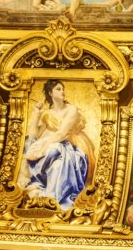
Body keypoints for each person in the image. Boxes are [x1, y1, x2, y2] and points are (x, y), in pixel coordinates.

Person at [22, 80, 93, 210]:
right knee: (54, 161)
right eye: (59, 89)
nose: (63, 92)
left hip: (71, 145)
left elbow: (61, 133)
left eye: (63, 89)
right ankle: (47, 193)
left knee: (55, 147)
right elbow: (34, 136)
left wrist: (42, 150)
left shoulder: (72, 109)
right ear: (50, 93)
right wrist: (36, 115)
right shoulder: (48, 113)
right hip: (53, 146)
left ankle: (41, 186)